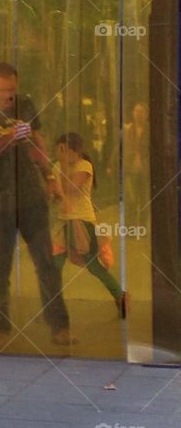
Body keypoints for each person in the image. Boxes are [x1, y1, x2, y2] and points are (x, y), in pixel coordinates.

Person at [0, 63, 74, 345]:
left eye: (12, 90)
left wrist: (50, 176)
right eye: (4, 90)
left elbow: (37, 142)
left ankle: (59, 324)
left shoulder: (25, 104)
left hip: (30, 196)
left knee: (46, 263)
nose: (9, 96)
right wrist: (13, 136)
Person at [50, 133, 127, 318]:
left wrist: (60, 169)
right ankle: (52, 309)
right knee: (54, 265)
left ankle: (120, 296)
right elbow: (56, 194)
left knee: (93, 266)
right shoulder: (57, 166)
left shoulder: (84, 166)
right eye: (58, 149)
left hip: (82, 223)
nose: (59, 153)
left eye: (62, 149)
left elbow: (69, 188)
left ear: (73, 151)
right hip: (64, 223)